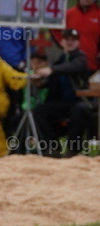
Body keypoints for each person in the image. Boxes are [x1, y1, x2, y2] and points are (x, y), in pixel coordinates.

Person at [33, 28, 92, 157]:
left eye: (73, 40)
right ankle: (52, 147)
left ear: (78, 42)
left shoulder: (81, 57)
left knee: (79, 110)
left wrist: (51, 69)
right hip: (61, 102)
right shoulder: (61, 58)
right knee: (39, 111)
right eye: (67, 39)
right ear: (62, 41)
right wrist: (41, 83)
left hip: (79, 101)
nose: (70, 42)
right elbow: (55, 79)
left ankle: (73, 150)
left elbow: (73, 67)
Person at [64, 0, 99, 72]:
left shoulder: (98, 15)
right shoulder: (69, 14)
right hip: (70, 65)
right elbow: (58, 34)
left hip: (92, 65)